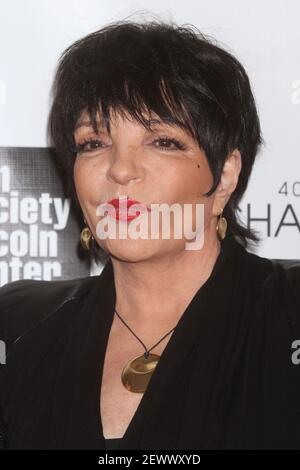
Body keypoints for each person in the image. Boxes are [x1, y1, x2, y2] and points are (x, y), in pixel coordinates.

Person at [0, 18, 300, 451]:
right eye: (94, 142)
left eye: (162, 141)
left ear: (225, 174)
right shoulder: (18, 327)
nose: (120, 169)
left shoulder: (288, 314)